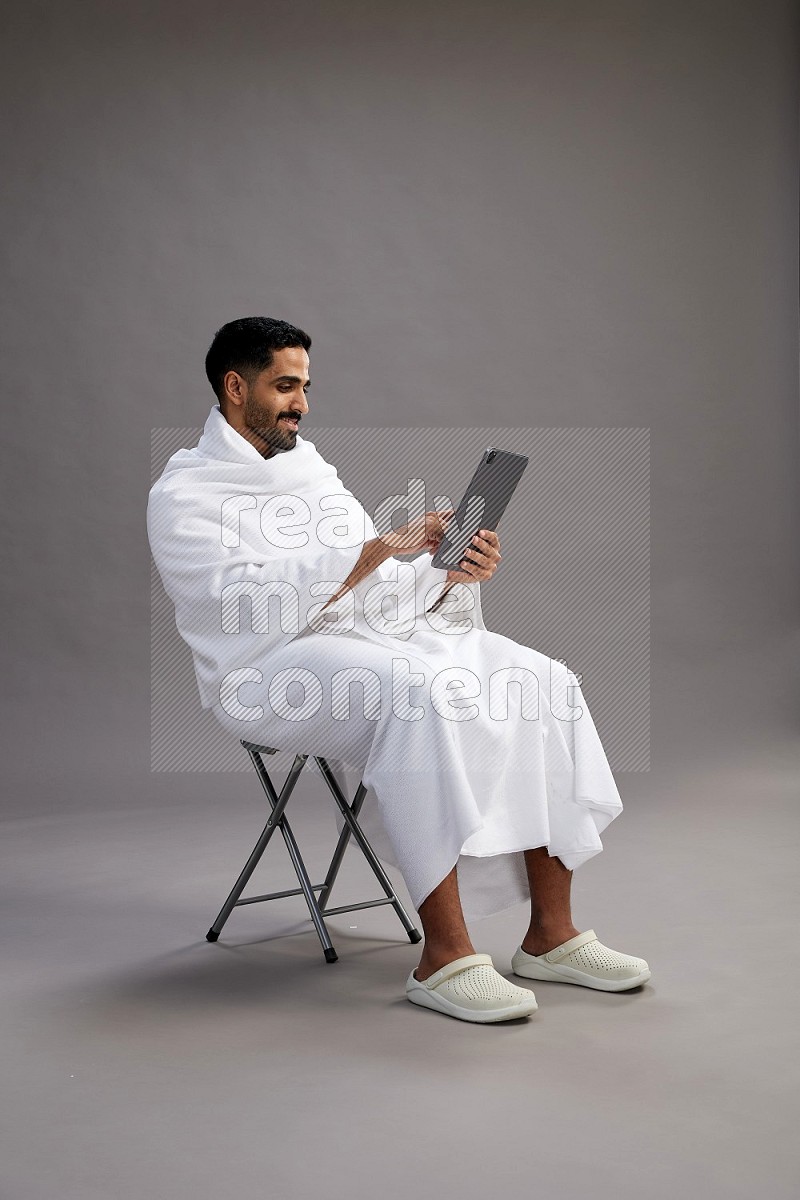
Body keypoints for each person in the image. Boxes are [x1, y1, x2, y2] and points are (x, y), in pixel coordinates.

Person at [147, 316, 651, 1024]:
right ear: (236, 387)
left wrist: (446, 574)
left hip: (356, 640)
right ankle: (444, 957)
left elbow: (375, 590)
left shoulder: (310, 470)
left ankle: (551, 937)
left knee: (539, 678)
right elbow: (237, 607)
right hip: (262, 670)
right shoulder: (184, 495)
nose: (302, 403)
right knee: (415, 693)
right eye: (285, 386)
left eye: (305, 386)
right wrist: (380, 547)